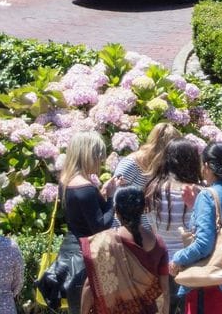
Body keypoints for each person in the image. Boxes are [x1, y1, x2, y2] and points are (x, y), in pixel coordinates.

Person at [172, 142, 222, 314]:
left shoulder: (207, 196)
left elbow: (204, 244)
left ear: (207, 166)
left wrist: (177, 258)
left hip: (212, 286)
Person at [46, 132, 119, 313]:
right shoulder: (84, 188)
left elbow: (81, 215)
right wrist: (111, 200)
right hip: (86, 257)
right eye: (98, 156)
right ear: (89, 155)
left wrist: (100, 196)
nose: (100, 161)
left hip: (70, 252)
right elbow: (100, 226)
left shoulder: (66, 182)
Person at [81, 187, 169, 314]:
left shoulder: (105, 242)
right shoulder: (158, 243)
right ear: (142, 210)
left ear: (116, 211)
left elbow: (89, 286)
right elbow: (165, 290)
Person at [144, 139, 202, 312]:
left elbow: (152, 228)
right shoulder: (198, 191)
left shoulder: (152, 189)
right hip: (189, 263)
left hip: (160, 261)